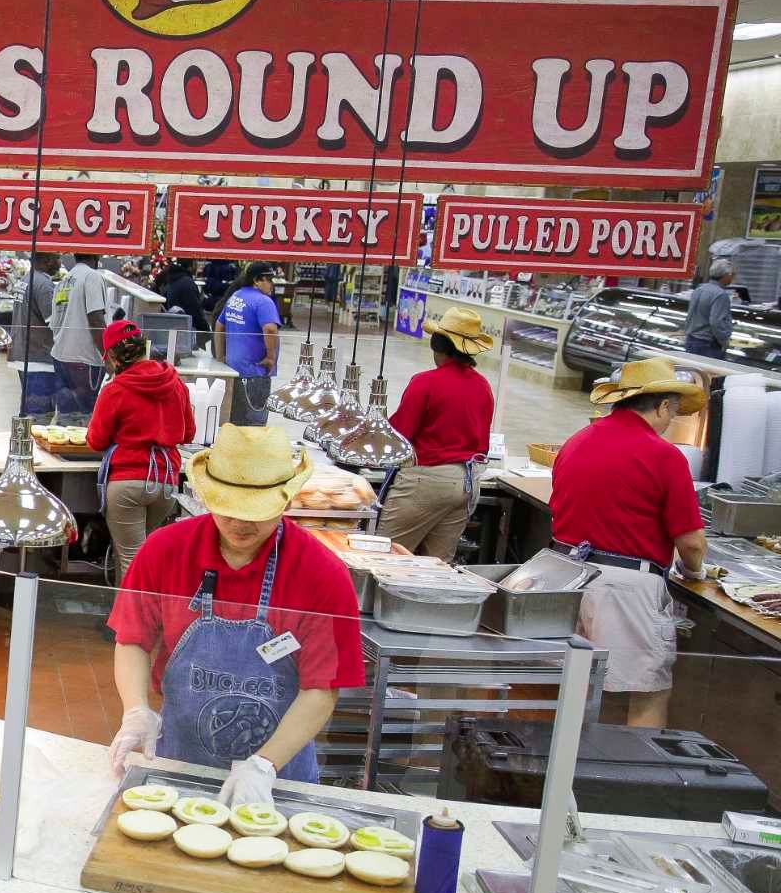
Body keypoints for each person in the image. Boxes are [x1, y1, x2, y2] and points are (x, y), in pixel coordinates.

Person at [105, 425, 364, 811]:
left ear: (286, 500)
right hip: (178, 762)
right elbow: (132, 640)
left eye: (257, 512)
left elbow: (321, 688)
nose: (241, 523)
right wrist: (136, 710)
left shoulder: (321, 573)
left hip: (277, 776)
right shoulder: (165, 551)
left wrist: (263, 765)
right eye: (228, 507)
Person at [550, 357, 709, 729]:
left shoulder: (577, 441)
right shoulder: (664, 456)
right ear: (662, 406)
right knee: (647, 693)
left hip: (566, 576)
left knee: (585, 686)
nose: (671, 421)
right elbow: (693, 544)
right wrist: (695, 571)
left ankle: (572, 776)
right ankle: (635, 782)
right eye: (673, 411)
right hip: (624, 587)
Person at [377, 308, 497, 562]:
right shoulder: (483, 386)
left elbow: (399, 435)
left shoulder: (426, 382)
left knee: (385, 558)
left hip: (427, 482)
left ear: (437, 345)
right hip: (466, 483)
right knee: (436, 567)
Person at [88, 319, 195, 578]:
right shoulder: (175, 382)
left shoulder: (115, 390)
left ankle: (131, 619)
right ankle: (134, 616)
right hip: (166, 482)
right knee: (142, 556)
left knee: (130, 560)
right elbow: (188, 433)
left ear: (113, 357)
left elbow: (96, 441)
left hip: (128, 484)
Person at [213, 263, 281, 427]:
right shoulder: (264, 302)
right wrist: (271, 357)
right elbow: (270, 329)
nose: (272, 284)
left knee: (233, 422)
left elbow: (219, 325)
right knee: (253, 426)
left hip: (232, 370)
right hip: (255, 373)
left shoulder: (237, 296)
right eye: (269, 279)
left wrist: (221, 356)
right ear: (256, 280)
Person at [49, 253, 108, 413]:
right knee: (84, 418)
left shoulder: (64, 280)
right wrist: (108, 358)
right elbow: (96, 319)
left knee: (66, 416)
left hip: (61, 355)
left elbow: (55, 322)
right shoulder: (92, 277)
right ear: (96, 256)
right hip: (84, 359)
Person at [10, 252, 62, 416]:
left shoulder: (26, 280)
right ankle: (32, 441)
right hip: (38, 358)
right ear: (47, 260)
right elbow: (54, 323)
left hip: (23, 353)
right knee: (40, 414)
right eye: (57, 258)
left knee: (28, 409)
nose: (60, 262)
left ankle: (23, 439)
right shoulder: (45, 286)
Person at [683, 258, 736, 360]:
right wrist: (724, 341)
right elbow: (716, 322)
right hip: (708, 345)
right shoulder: (721, 295)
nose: (733, 277)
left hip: (691, 340)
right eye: (733, 274)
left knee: (693, 374)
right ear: (726, 275)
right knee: (709, 375)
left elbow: (690, 315)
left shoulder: (699, 289)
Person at [158, 259, 210, 338]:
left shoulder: (172, 279)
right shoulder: (187, 283)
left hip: (174, 331)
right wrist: (206, 330)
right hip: (185, 334)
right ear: (190, 266)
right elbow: (195, 311)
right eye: (195, 262)